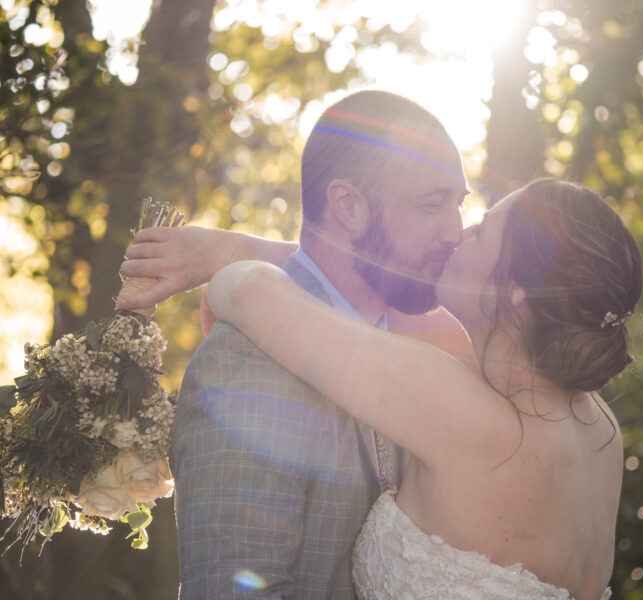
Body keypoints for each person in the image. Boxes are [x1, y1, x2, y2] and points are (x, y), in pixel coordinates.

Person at [205, 179, 642, 599]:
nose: (461, 232)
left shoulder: (460, 411)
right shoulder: (598, 427)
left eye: (483, 231)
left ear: (514, 294)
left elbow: (244, 291)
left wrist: (224, 256)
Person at [119, 90, 472, 598]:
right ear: (348, 205)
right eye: (430, 205)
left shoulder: (421, 347)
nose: (455, 231)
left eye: (459, 204)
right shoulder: (249, 365)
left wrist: (238, 249)